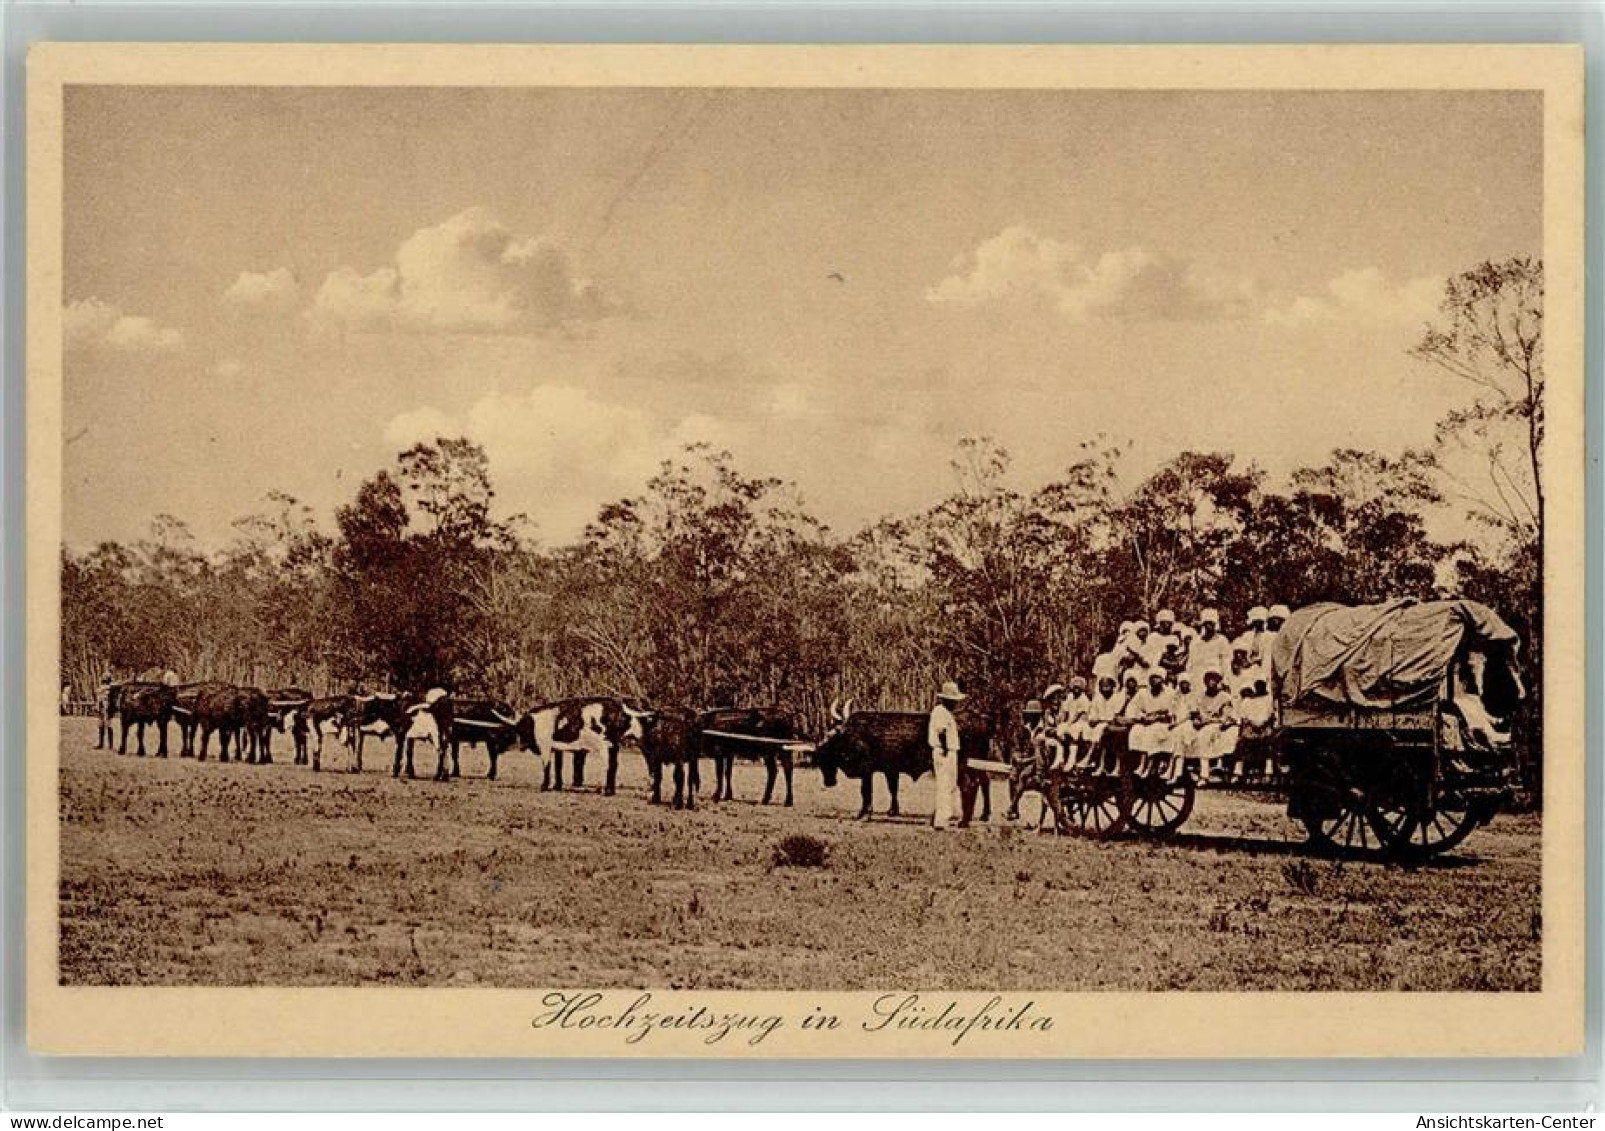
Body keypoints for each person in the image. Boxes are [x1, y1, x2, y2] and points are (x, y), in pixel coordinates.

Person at [1174, 667, 1240, 781]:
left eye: (1214, 680)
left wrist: (1208, 721)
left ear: (1218, 681)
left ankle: (1204, 774)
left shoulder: (1224, 697)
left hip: (1216, 724)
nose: (1211, 682)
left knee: (1205, 735)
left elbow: (1225, 717)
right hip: (1202, 723)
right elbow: (1195, 713)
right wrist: (1197, 720)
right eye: (1209, 679)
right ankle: (1181, 769)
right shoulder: (1200, 697)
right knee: (1184, 732)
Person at [927, 680, 966, 830]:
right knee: (944, 785)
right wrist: (944, 749)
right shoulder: (940, 712)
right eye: (953, 701)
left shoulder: (945, 712)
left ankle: (948, 816)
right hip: (944, 752)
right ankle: (941, 821)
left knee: (950, 785)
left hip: (949, 751)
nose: (956, 704)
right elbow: (942, 732)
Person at [1125, 670, 1177, 773]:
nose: (1154, 681)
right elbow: (1133, 708)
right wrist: (1142, 717)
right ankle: (1140, 762)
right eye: (1152, 678)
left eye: (1157, 678)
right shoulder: (1143, 693)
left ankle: (1147, 765)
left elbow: (1173, 712)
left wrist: (1158, 717)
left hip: (1163, 723)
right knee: (1136, 730)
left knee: (1153, 730)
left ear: (1162, 680)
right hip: (1146, 721)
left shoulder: (1170, 693)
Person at [1080, 671, 1127, 773]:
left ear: (1112, 687)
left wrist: (1101, 720)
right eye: (1102, 686)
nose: (1105, 689)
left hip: (1110, 724)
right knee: (1087, 729)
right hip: (1099, 723)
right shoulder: (1097, 698)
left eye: (1107, 686)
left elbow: (1114, 716)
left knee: (1101, 730)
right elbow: (1093, 713)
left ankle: (1089, 757)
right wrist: (1093, 720)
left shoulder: (1116, 698)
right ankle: (1094, 761)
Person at [1052, 676, 1092, 771]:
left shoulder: (1084, 699)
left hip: (1081, 722)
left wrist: (1069, 724)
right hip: (1070, 721)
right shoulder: (1070, 697)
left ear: (1082, 689)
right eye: (1075, 687)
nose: (1076, 689)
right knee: (1061, 729)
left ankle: (1072, 759)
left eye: (1078, 688)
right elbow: (1065, 711)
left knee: (1073, 731)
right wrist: (1062, 721)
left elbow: (1079, 715)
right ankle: (1059, 757)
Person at [1188, 608, 1232, 680]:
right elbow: (1191, 663)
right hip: (1197, 676)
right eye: (1206, 623)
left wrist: (1225, 679)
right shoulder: (1196, 642)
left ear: (1215, 624)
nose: (1208, 626)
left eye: (1211, 623)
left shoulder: (1222, 640)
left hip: (1215, 677)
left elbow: (1226, 663)